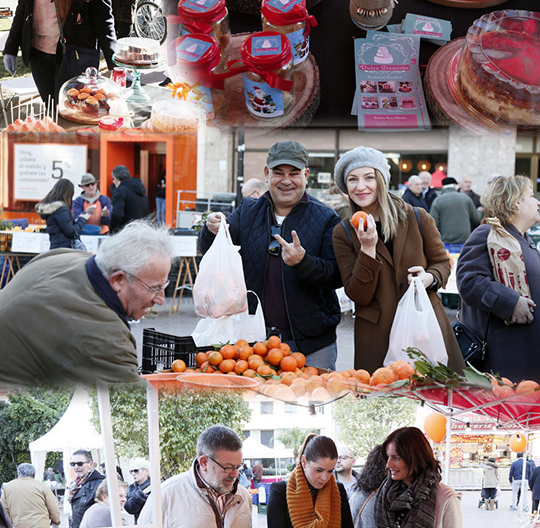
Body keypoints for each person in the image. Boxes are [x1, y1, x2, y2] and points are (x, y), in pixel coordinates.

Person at [198, 140, 342, 369]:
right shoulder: (247, 211)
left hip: (312, 345)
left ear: (306, 174)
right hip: (253, 342)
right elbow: (210, 251)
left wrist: (303, 263)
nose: (286, 181)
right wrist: (211, 230)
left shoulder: (326, 218)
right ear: (267, 174)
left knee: (314, 401)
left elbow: (336, 275)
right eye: (278, 173)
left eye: (294, 173)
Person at [332, 147, 463, 374]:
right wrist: (368, 249)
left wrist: (428, 277)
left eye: (369, 177)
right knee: (383, 402)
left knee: (435, 399)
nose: (360, 186)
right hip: (377, 336)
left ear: (381, 180)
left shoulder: (418, 217)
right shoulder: (343, 232)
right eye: (352, 179)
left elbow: (442, 264)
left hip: (423, 327)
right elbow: (358, 294)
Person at [0, 221, 175, 387]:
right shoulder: (104, 339)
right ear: (118, 280)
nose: (160, 299)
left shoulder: (63, 256)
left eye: (164, 286)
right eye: (155, 288)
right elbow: (137, 407)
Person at [456, 176, 540, 383]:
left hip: (527, 354)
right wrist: (510, 302)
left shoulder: (525, 240)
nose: (538, 201)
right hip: (504, 358)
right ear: (516, 202)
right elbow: (469, 282)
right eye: (531, 195)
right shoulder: (487, 234)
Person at [36, 178, 96, 249]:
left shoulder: (52, 209)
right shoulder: (61, 210)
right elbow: (71, 232)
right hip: (65, 250)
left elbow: (66, 225)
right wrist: (83, 219)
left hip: (55, 248)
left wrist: (82, 215)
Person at [1, 462, 61, 528]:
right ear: (34, 474)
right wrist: (56, 521)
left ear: (18, 473)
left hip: (21, 527)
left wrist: (10, 524)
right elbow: (53, 506)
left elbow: (3, 509)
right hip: (41, 526)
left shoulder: (8, 487)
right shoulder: (42, 486)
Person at [429, 177, 481, 251]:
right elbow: (477, 218)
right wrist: (481, 211)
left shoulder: (438, 201)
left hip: (446, 242)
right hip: (465, 242)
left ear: (443, 187)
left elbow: (433, 224)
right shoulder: (466, 198)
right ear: (455, 186)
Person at [67, 449, 104, 528]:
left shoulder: (100, 484)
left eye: (80, 464)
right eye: (73, 464)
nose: (76, 467)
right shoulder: (75, 484)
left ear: (90, 464)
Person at [110, 166, 150, 233]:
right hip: (141, 232)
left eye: (113, 180)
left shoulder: (120, 191)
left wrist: (113, 232)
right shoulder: (141, 191)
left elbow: (117, 215)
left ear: (116, 179)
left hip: (126, 233)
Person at [125, 457, 151, 522]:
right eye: (131, 471)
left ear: (146, 471)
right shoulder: (131, 488)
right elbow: (129, 508)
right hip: (139, 524)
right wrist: (142, 494)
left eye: (136, 470)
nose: (133, 473)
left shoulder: (156, 485)